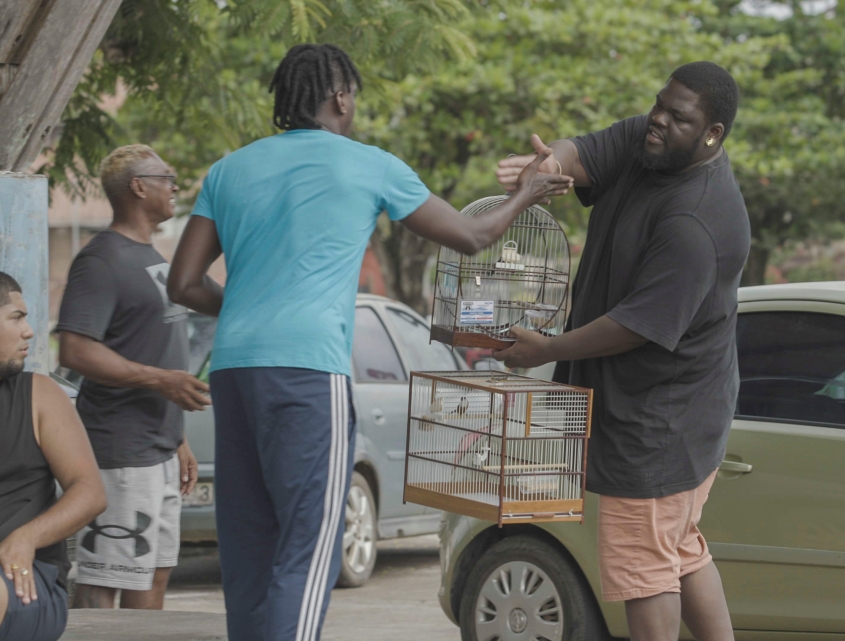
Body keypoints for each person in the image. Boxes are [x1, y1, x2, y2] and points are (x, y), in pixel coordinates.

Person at [167, 43, 571, 641]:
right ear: (340, 98)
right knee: (310, 545)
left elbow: (183, 282)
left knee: (250, 545)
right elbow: (469, 236)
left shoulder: (229, 169)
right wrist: (527, 193)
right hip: (307, 370)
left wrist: (254, 307)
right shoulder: (369, 165)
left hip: (232, 366)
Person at [493, 61, 749, 641]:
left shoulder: (696, 220)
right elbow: (583, 150)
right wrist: (548, 166)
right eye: (660, 104)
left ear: (712, 135)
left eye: (677, 117)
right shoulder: (652, 141)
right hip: (678, 412)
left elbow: (637, 325)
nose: (657, 119)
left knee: (643, 568)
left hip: (660, 421)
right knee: (678, 548)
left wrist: (546, 350)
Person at [57, 145, 205, 611]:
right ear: (138, 186)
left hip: (157, 447)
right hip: (119, 452)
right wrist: (163, 382)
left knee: (153, 579)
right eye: (167, 177)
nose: (175, 186)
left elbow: (149, 346)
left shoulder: (151, 256)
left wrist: (176, 439)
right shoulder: (101, 259)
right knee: (105, 581)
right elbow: (76, 349)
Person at [0, 272, 107, 641]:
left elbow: (90, 492)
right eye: (16, 318)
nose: (29, 331)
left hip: (25, 577)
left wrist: (26, 537)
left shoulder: (39, 394)